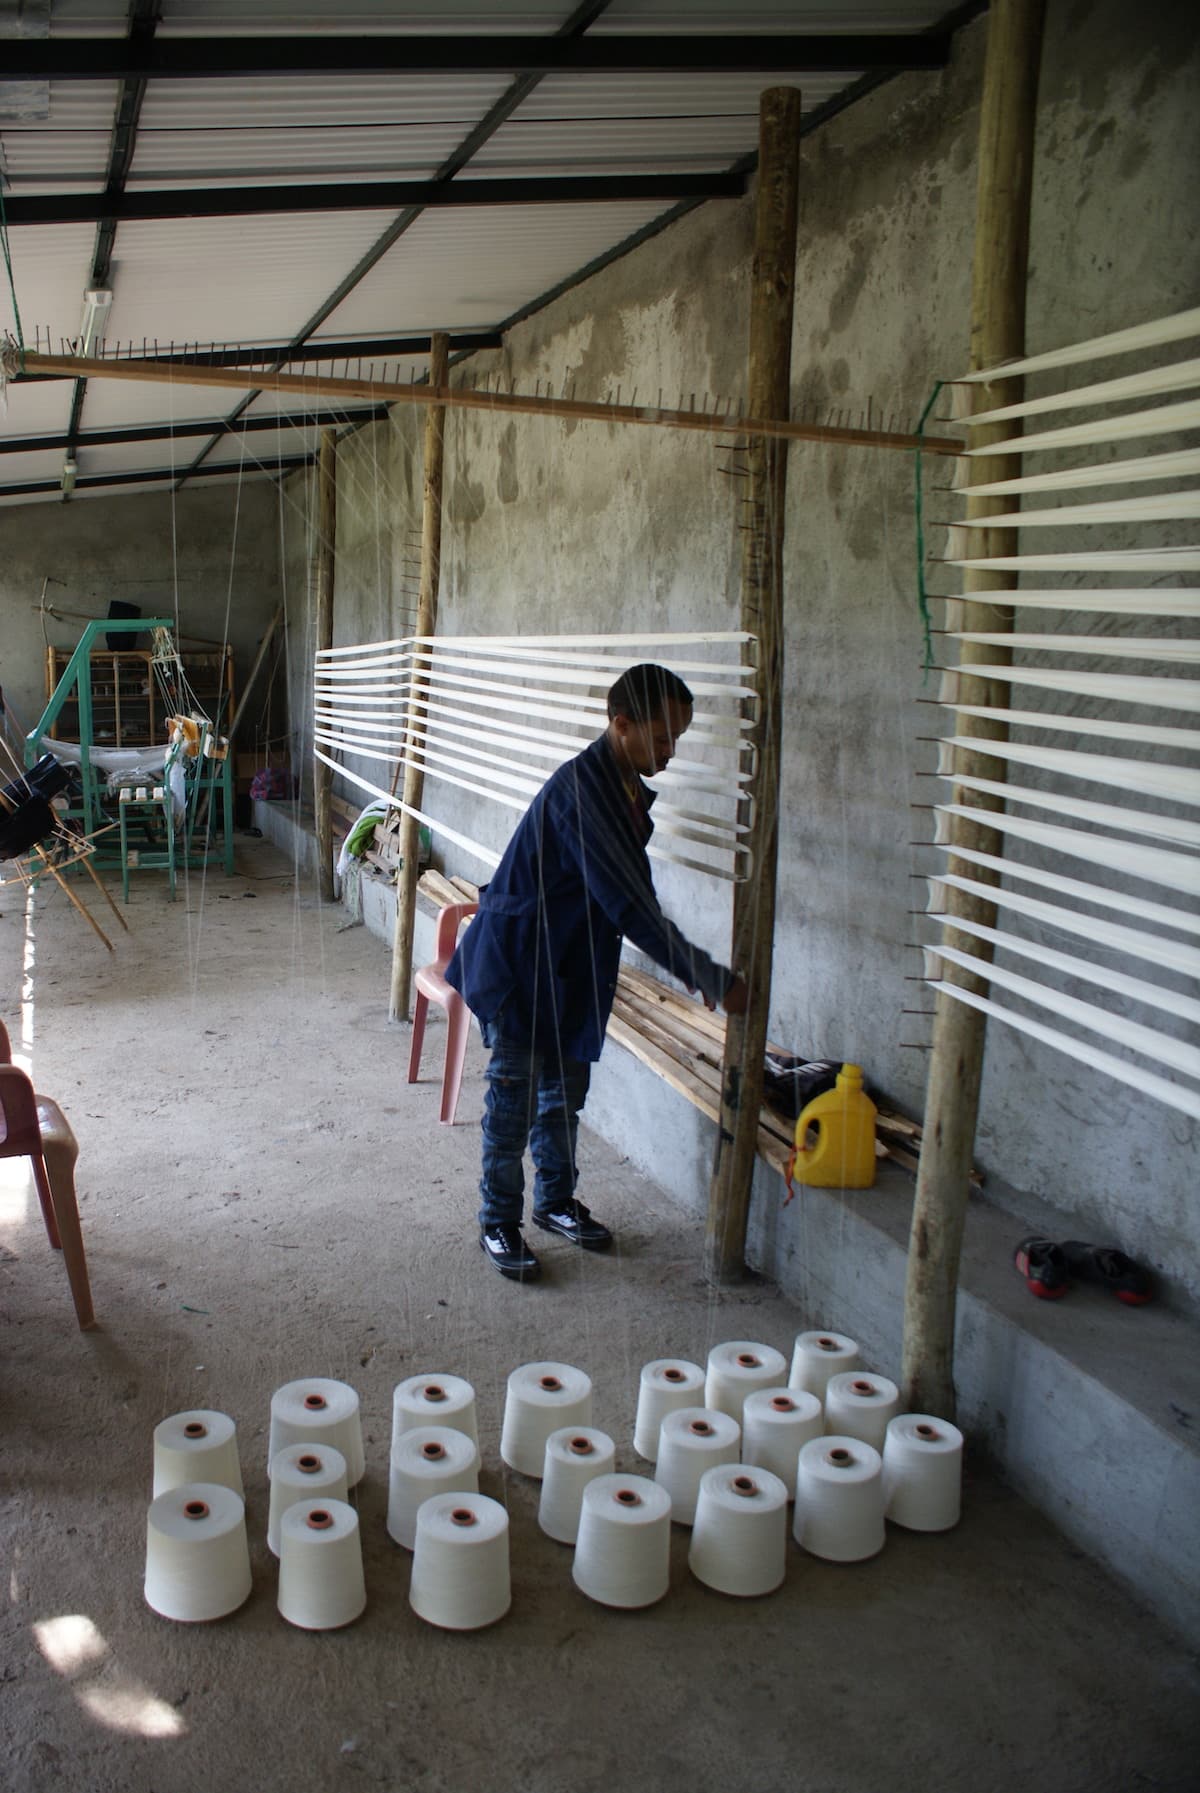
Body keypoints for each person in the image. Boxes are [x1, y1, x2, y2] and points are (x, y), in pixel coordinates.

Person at [446, 663, 748, 1281]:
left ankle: (554, 1203)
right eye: (662, 738)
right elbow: (631, 905)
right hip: (524, 965)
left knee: (563, 1097)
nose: (669, 752)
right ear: (621, 726)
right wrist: (708, 975)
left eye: (677, 740)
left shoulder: (623, 787)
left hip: (571, 965)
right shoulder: (585, 792)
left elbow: (625, 897)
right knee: (513, 1101)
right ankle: (497, 1221)